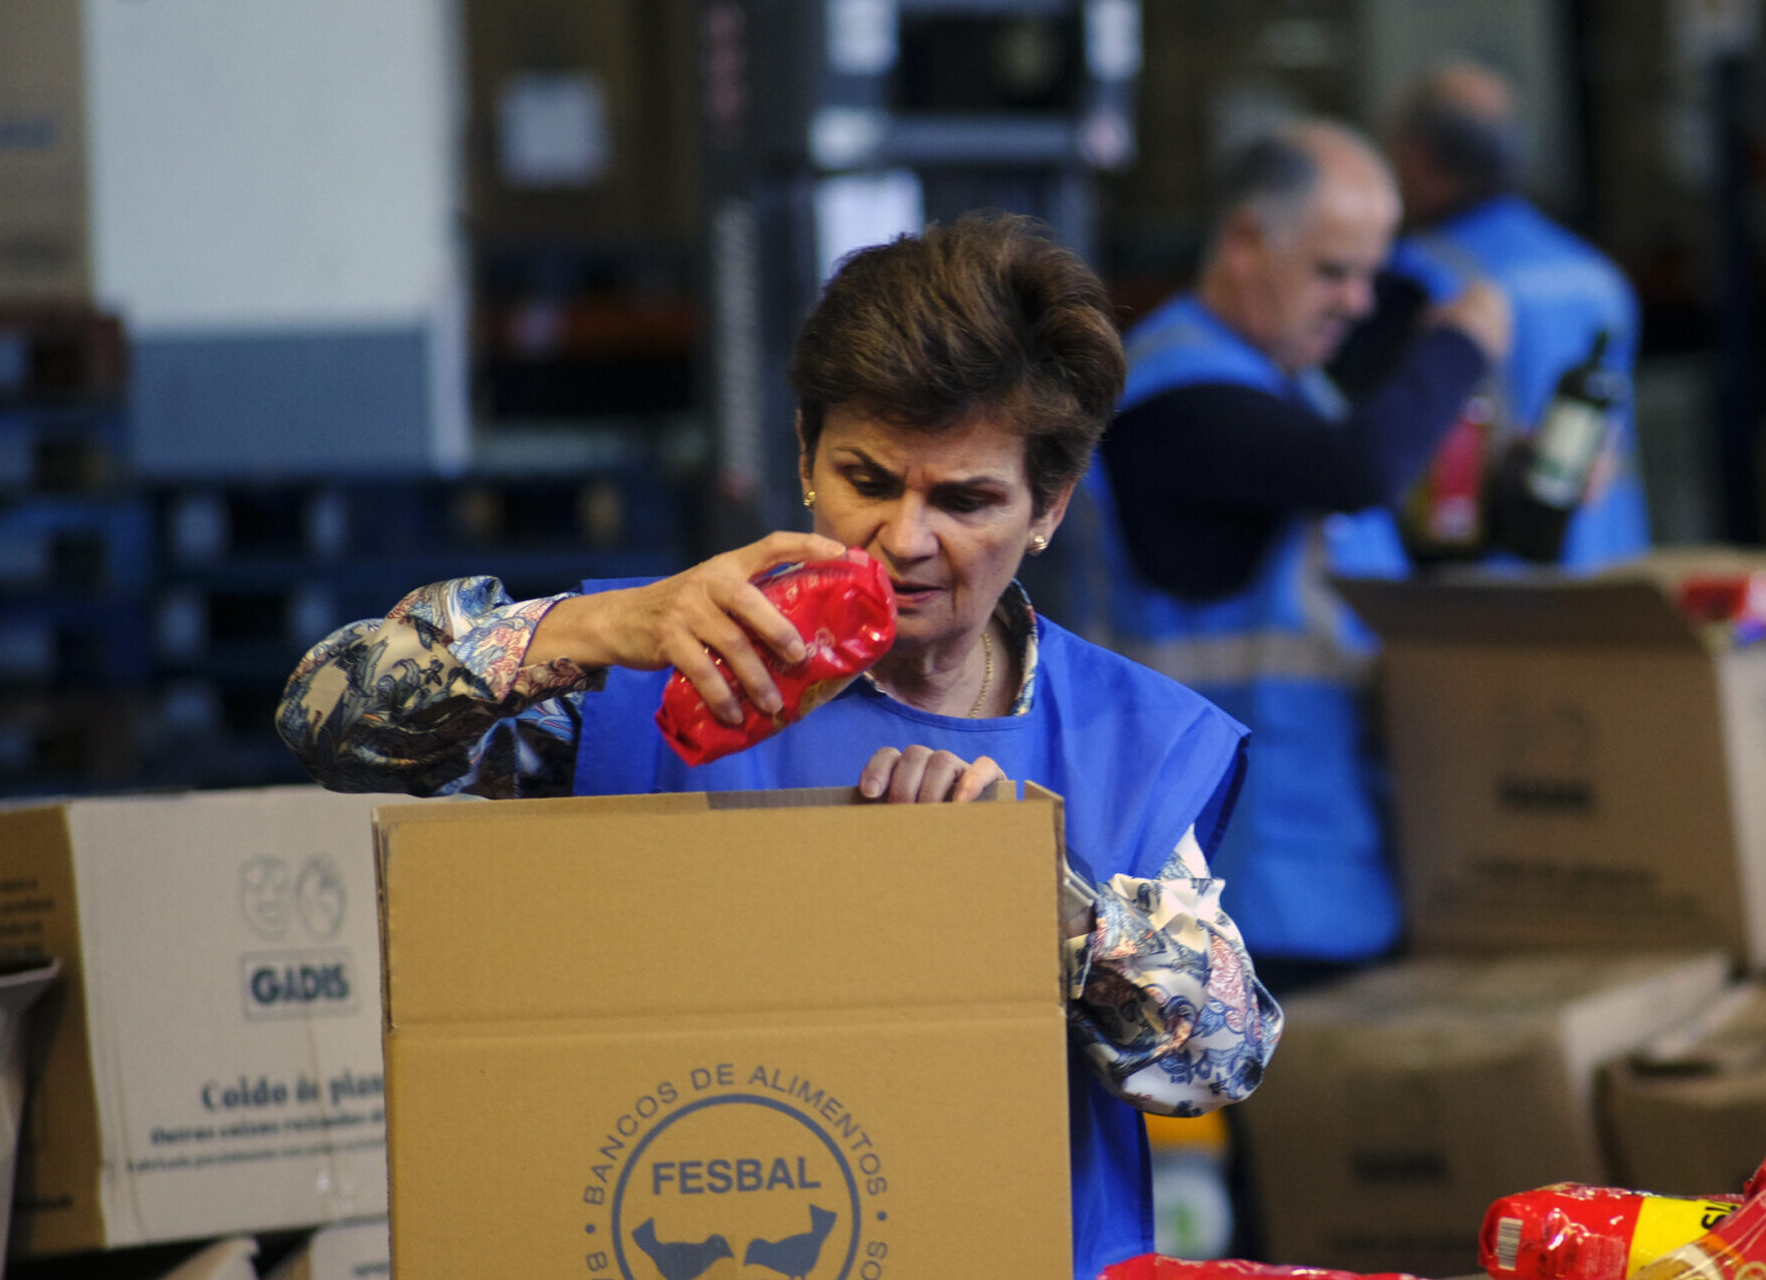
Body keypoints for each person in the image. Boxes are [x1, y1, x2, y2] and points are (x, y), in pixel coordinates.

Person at [276, 213, 1279, 1280]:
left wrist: (1032, 884)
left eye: (966, 498)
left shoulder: (1129, 736)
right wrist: (585, 630)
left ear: (1048, 508)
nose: (905, 538)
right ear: (804, 456)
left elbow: (1218, 1059)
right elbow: (331, 719)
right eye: (869, 479)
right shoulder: (655, 663)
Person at [1088, 119, 1509, 984]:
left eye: (1370, 275)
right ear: (1246, 242)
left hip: (1327, 874)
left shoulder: (1294, 393)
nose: (1358, 302)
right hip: (1235, 908)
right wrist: (1465, 341)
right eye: (1333, 271)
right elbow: (1361, 469)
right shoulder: (1176, 398)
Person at [1384, 58, 1651, 570]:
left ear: (1416, 156)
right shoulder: (1596, 272)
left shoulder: (1419, 278)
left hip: (1493, 586)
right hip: (1609, 565)